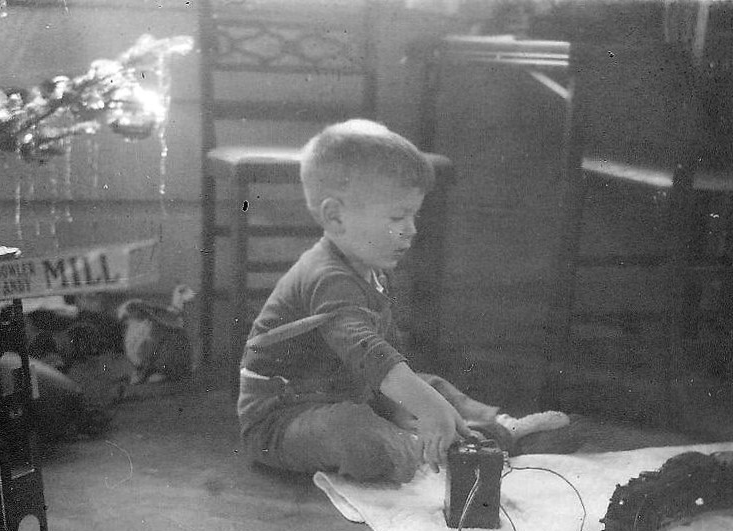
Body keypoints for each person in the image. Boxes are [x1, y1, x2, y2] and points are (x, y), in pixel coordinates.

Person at [236, 119, 569, 483]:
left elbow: (388, 352)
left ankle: (495, 427)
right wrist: (421, 408)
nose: (412, 229)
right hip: (283, 420)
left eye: (414, 214)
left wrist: (415, 401)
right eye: (398, 216)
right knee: (354, 430)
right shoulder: (326, 277)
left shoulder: (371, 270)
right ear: (335, 216)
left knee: (429, 386)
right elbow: (369, 355)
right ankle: (428, 449)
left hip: (352, 392)